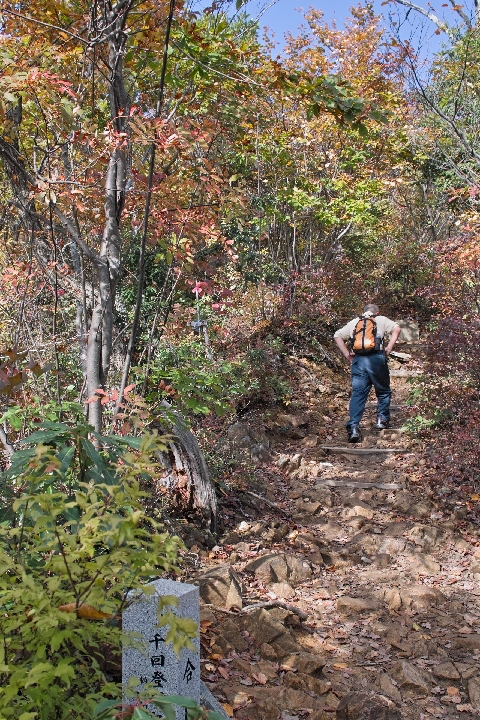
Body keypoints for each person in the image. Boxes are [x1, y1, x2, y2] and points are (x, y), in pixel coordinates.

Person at [333, 304, 401, 443]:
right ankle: (382, 420)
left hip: (358, 361)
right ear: (377, 311)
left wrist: (347, 354)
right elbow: (397, 328)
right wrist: (389, 347)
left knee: (358, 394)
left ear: (363, 312)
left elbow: (337, 335)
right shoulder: (381, 319)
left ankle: (353, 427)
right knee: (383, 390)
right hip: (376, 359)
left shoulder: (354, 322)